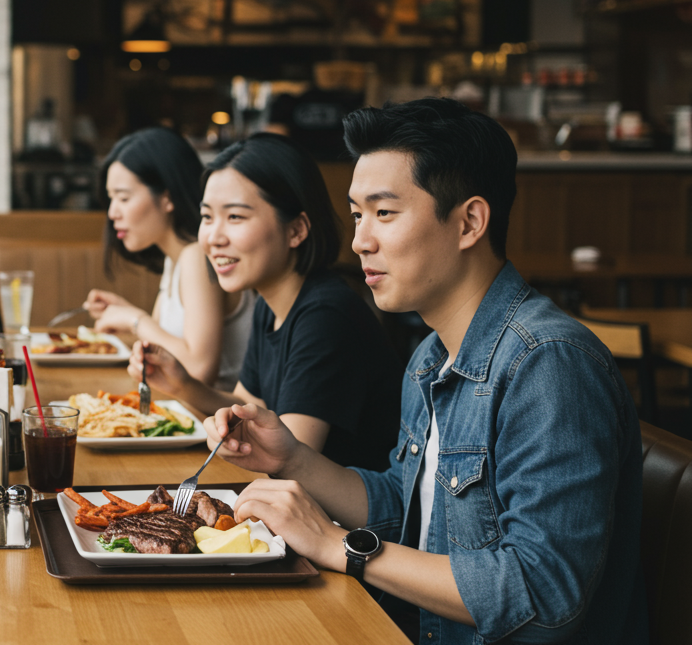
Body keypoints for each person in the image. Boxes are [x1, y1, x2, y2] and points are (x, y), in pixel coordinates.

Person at [206, 99, 647, 643]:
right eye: (357, 214)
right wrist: (292, 459)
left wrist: (335, 544)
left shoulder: (548, 364)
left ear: (469, 222)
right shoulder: (433, 355)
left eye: (384, 213)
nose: (360, 240)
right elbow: (404, 504)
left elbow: (541, 592)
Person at [130, 133, 400, 469]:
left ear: (296, 230)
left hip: (351, 518)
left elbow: (289, 457)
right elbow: (246, 402)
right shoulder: (269, 302)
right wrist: (183, 385)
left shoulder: (326, 315)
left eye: (235, 217)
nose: (213, 238)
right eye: (208, 217)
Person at [84, 128, 254, 389]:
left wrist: (134, 319)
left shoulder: (198, 254)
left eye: (124, 198)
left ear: (166, 197)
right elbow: (161, 347)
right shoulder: (175, 259)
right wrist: (125, 313)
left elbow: (199, 370)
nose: (112, 212)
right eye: (110, 199)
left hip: (223, 420)